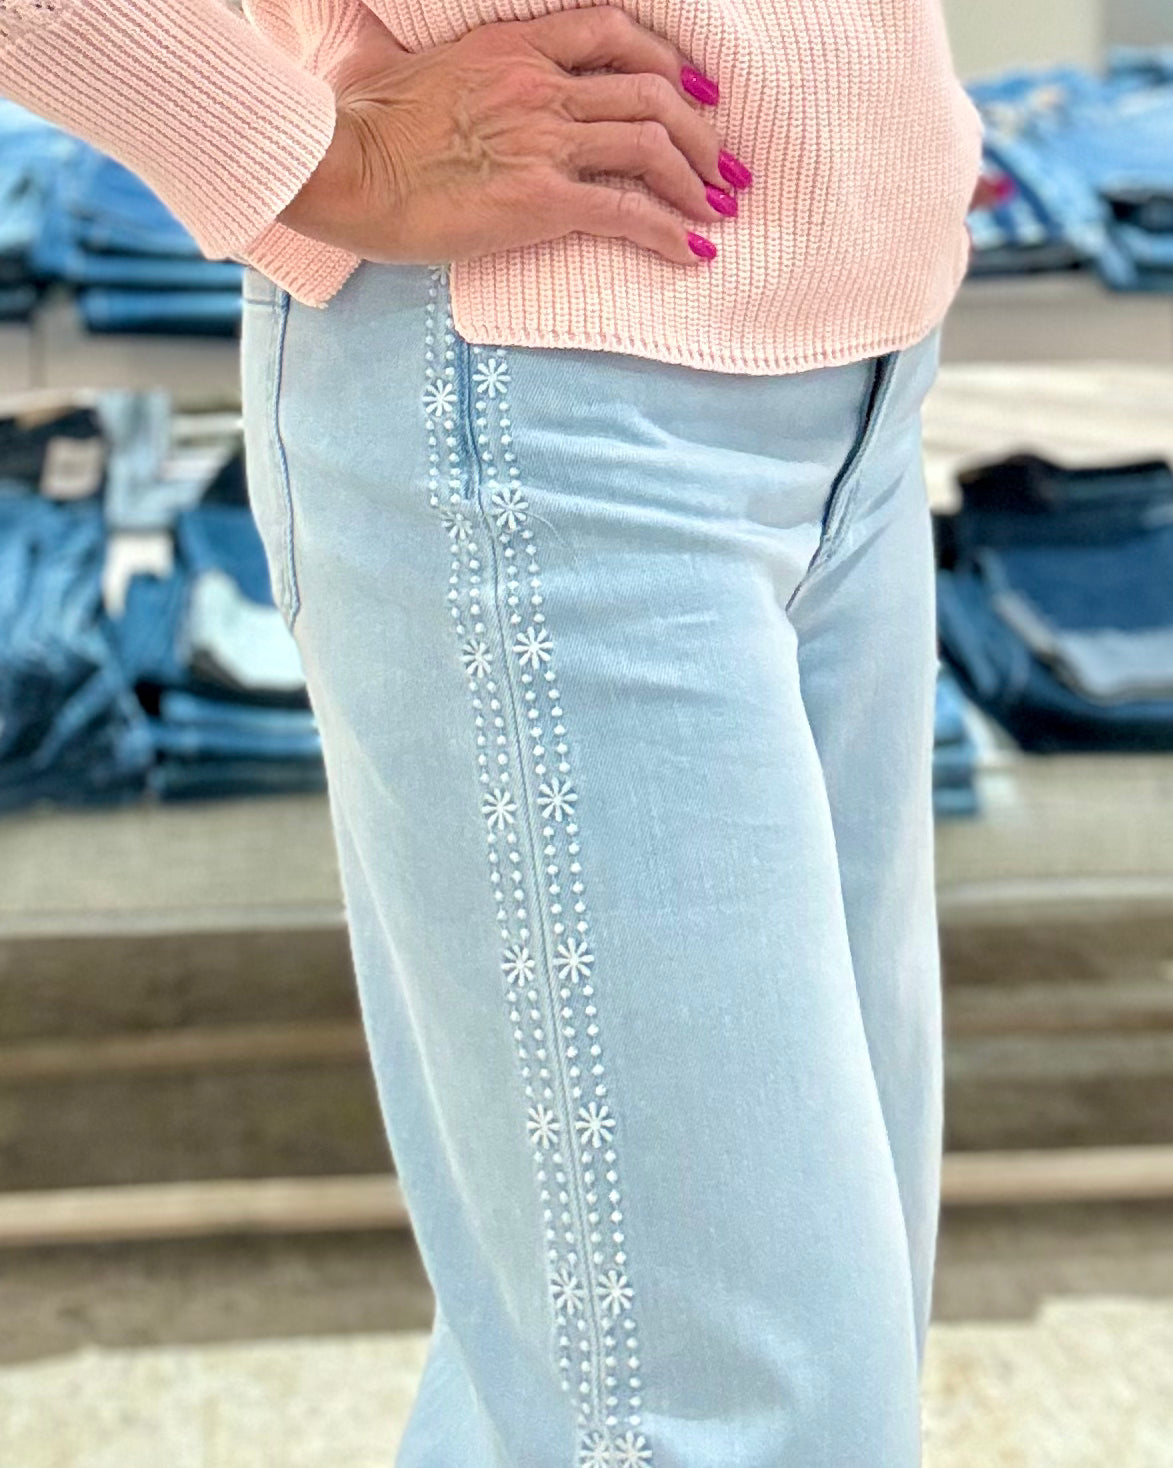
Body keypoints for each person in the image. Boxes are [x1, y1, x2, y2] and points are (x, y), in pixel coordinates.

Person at [1, 3, 985, 1463]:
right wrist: (291, 146)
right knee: (743, 1405)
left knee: (689, 1352)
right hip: (537, 382)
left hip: (860, 361)